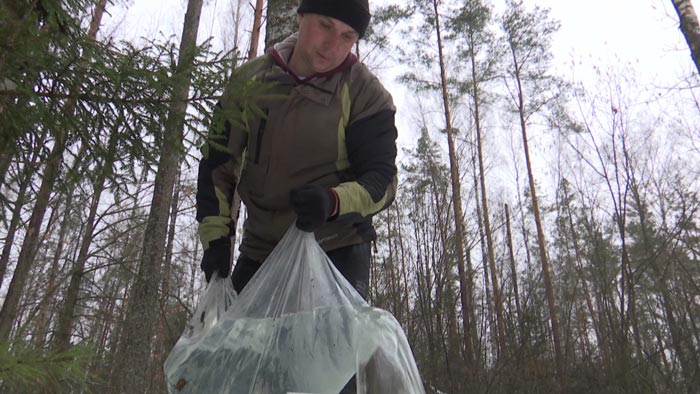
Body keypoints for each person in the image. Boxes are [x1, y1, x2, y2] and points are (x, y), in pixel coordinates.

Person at [196, 0, 397, 302]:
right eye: (325, 25)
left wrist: (332, 201)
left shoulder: (366, 95)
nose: (331, 45)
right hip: (261, 248)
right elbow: (218, 163)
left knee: (325, 347)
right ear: (301, 15)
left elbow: (383, 182)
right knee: (233, 346)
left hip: (336, 246)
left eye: (347, 37)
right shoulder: (249, 80)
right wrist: (215, 240)